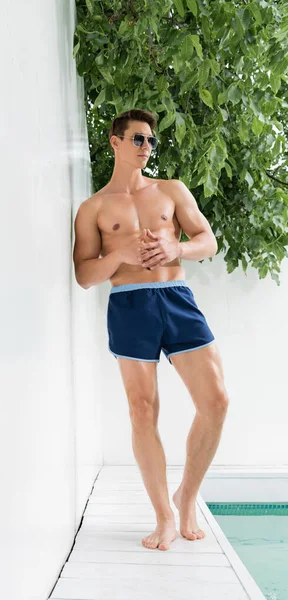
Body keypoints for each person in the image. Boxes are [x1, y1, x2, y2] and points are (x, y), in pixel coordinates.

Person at [72, 108, 230, 551]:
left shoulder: (170, 191)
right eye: (138, 139)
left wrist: (174, 245)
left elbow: (208, 241)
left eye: (150, 142)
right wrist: (119, 257)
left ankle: (187, 496)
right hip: (129, 305)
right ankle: (163, 517)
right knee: (143, 410)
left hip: (176, 298)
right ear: (115, 142)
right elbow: (84, 274)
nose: (146, 148)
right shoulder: (94, 208)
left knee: (215, 401)